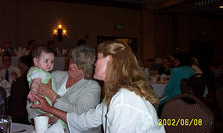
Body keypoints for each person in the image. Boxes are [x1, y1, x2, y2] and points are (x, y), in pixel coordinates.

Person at [30, 41, 165, 133]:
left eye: (98, 59)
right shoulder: (115, 96)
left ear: (110, 61)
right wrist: (48, 108)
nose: (94, 64)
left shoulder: (125, 99)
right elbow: (83, 121)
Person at [27, 46, 101, 133]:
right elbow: (31, 101)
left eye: (78, 65)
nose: (72, 65)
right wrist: (39, 117)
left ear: (87, 69)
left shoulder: (92, 87)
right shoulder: (55, 75)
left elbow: (81, 116)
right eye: (72, 61)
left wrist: (52, 96)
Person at [26, 46, 57, 118]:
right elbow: (36, 83)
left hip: (46, 102)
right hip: (42, 102)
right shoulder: (37, 72)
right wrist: (33, 91)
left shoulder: (43, 72)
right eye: (46, 61)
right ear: (36, 61)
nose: (50, 64)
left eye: (52, 61)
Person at [8, 55, 32, 124]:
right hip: (28, 111)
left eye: (20, 63)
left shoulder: (21, 81)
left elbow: (15, 101)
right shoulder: (32, 75)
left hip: (20, 114)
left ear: (23, 65)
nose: (19, 65)